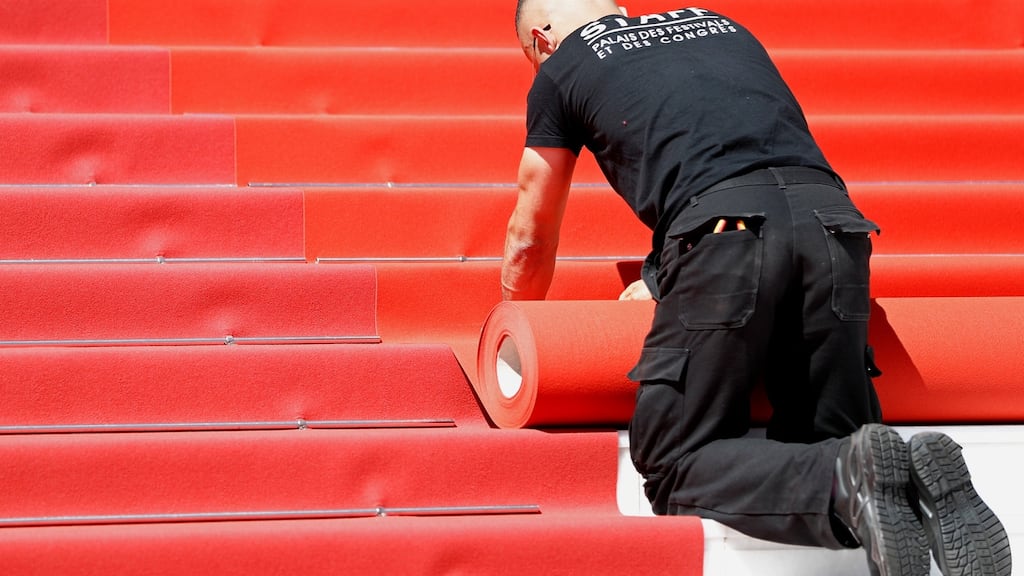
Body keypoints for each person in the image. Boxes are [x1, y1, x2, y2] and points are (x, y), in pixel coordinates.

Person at [501, 1, 1012, 575]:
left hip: (725, 236)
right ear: (619, 7)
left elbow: (531, 233)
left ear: (541, 42)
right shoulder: (716, 22)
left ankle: (848, 475)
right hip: (835, 225)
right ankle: (912, 480)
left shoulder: (564, 64)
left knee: (673, 460)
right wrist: (662, 271)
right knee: (828, 443)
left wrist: (518, 328)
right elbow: (733, 142)